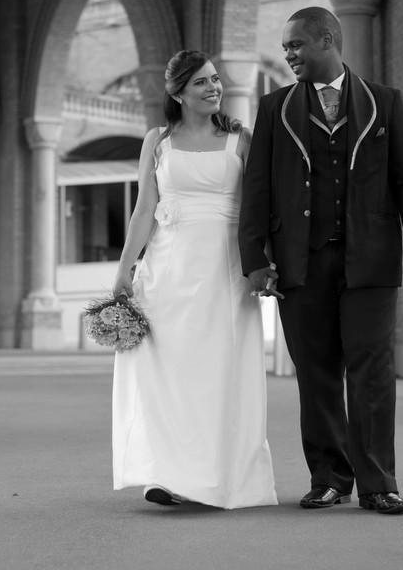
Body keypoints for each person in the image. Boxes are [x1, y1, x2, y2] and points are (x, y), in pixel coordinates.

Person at [239, 7, 403, 515]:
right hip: (300, 262)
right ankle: (328, 478)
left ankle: (378, 483)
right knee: (316, 373)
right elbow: (256, 188)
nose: (288, 55)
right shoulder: (275, 107)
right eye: (286, 48)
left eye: (296, 45)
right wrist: (255, 257)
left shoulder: (384, 103)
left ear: (327, 40)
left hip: (370, 260)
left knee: (372, 370)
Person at [111, 50, 278, 510]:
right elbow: (145, 209)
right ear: (178, 92)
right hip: (167, 271)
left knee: (218, 372)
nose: (214, 88)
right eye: (202, 82)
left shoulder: (240, 140)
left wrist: (264, 262)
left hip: (223, 270)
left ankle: (218, 475)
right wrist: (125, 269)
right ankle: (164, 473)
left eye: (216, 80)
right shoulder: (157, 142)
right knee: (168, 371)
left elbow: (259, 209)